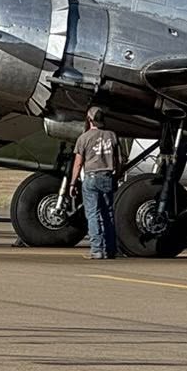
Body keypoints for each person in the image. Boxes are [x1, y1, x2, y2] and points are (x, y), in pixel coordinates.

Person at [69, 107, 121, 260]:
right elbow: (119, 160)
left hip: (91, 177)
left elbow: (78, 164)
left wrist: (73, 183)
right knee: (108, 214)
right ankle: (110, 249)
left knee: (92, 214)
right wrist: (116, 176)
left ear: (89, 119)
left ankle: (97, 250)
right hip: (107, 176)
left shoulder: (83, 138)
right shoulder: (112, 135)